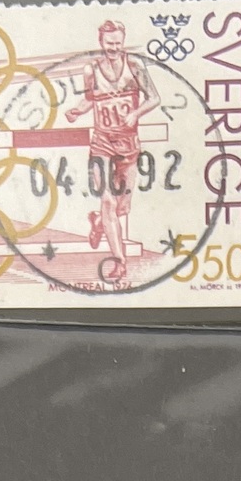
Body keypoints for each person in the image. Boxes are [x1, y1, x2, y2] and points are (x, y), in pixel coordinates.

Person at [73, 19, 155, 285]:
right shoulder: (91, 69)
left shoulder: (135, 66)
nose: (114, 48)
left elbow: (154, 98)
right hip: (102, 144)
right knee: (108, 201)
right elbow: (90, 98)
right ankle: (120, 262)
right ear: (101, 42)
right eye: (109, 44)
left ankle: (98, 223)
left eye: (118, 43)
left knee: (122, 208)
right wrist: (77, 111)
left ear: (123, 42)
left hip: (128, 145)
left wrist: (136, 113)